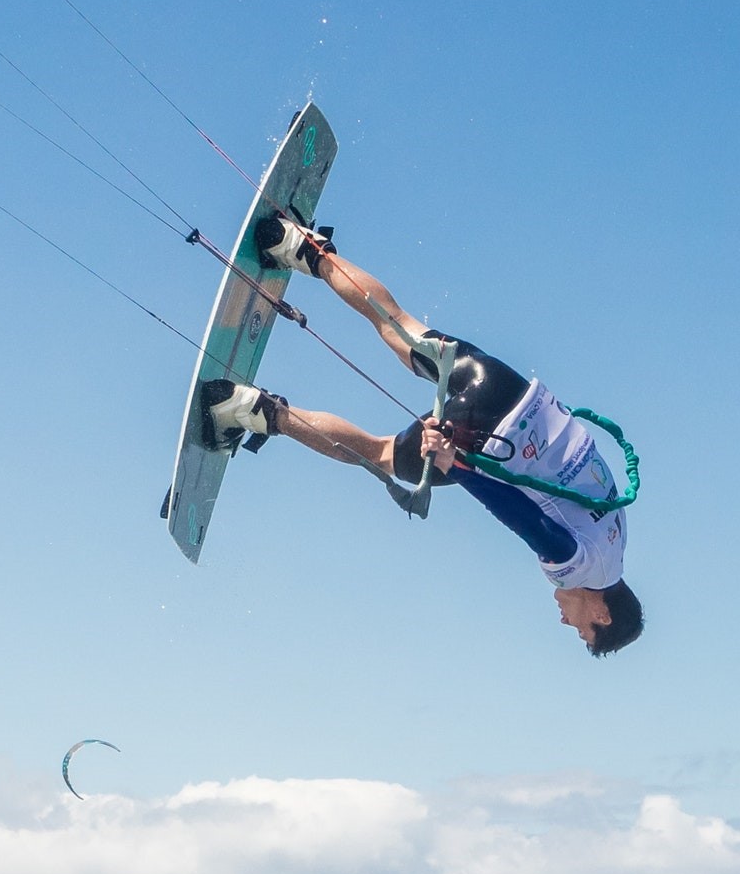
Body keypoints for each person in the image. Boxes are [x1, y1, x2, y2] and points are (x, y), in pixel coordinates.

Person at [200, 216, 644, 656]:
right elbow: (530, 523)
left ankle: (300, 247)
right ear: (603, 614)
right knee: (382, 454)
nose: (566, 620)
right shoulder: (581, 570)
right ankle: (245, 408)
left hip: (514, 391)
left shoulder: (618, 539)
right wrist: (458, 467)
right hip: (487, 437)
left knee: (400, 326)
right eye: (580, 628)